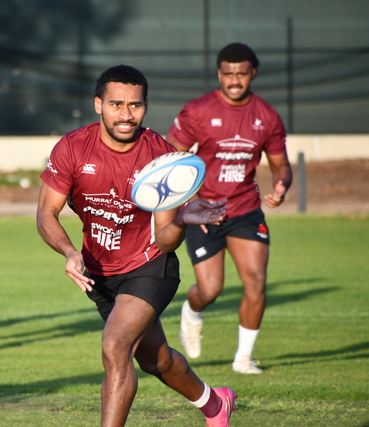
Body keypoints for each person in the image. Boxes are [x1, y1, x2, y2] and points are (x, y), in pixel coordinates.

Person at [37, 65, 236, 426]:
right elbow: (46, 214)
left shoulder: (160, 157)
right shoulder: (72, 148)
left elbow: (165, 240)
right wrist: (69, 251)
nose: (126, 114)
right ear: (98, 105)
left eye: (135, 105)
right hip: (99, 273)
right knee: (154, 360)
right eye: (116, 104)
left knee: (115, 346)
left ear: (146, 106)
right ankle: (214, 404)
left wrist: (180, 220)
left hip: (149, 266)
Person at [166, 43, 293, 374]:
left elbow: (280, 165)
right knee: (210, 289)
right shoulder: (198, 111)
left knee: (256, 281)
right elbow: (172, 159)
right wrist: (190, 203)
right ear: (219, 74)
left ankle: (243, 359)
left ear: (253, 73)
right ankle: (191, 312)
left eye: (241, 73)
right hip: (203, 211)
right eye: (228, 73)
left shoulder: (267, 116)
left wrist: (281, 185)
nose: (234, 79)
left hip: (245, 209)